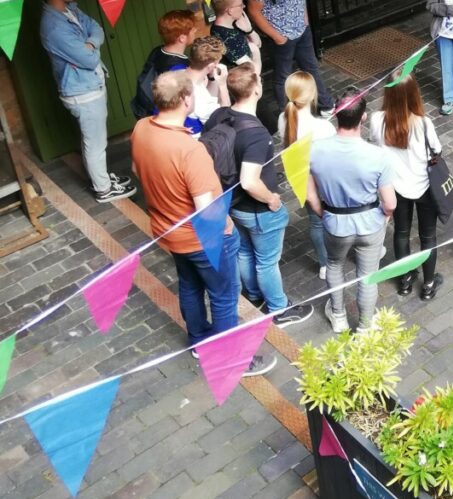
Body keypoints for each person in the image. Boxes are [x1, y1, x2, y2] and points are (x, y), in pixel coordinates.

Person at [131, 71, 275, 376]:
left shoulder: (142, 128)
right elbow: (208, 210)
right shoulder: (189, 150)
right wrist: (228, 229)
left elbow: (135, 167)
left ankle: (198, 340)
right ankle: (229, 357)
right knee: (224, 296)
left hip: (167, 231)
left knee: (190, 285)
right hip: (203, 239)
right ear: (186, 100)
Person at [204, 67, 313, 327]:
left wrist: (221, 86)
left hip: (233, 204)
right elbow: (250, 181)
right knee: (267, 261)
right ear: (256, 89)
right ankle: (278, 309)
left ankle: (252, 294)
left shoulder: (219, 115)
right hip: (258, 210)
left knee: (243, 252)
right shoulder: (256, 134)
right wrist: (271, 200)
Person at [33, 0, 135, 203]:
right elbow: (89, 60)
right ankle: (103, 188)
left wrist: (90, 43)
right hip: (82, 92)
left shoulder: (69, 10)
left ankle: (102, 178)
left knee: (95, 138)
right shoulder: (54, 27)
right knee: (95, 141)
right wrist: (90, 48)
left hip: (91, 86)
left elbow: (96, 29)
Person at [308, 94, 397, 332]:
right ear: (364, 117)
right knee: (368, 275)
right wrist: (384, 217)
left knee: (335, 266)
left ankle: (338, 316)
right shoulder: (378, 156)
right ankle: (365, 326)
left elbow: (310, 196)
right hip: (370, 224)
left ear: (336, 114)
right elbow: (390, 203)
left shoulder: (314, 150)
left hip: (335, 224)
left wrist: (323, 215)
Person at [368, 75, 444, 301]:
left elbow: (375, 145)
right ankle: (429, 284)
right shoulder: (423, 123)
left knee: (401, 233)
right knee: (428, 236)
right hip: (424, 187)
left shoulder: (376, 119)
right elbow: (437, 150)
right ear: (413, 94)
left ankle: (405, 280)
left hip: (395, 187)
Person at [244, 0, 333, 113]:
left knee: (311, 67)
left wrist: (306, 20)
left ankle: (325, 104)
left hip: (302, 29)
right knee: (283, 76)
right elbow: (254, 11)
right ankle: (287, 115)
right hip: (281, 34)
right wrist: (277, 36)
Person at [277, 71, 336, 281]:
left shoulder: (283, 119)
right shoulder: (324, 128)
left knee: (315, 223)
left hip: (301, 179)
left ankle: (324, 263)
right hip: (324, 182)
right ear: (312, 96)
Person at [210, 0, 262, 74]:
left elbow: (258, 43)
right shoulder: (225, 37)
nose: (244, 6)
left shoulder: (235, 23)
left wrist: (249, 30)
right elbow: (253, 72)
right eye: (240, 5)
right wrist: (255, 50)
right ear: (230, 11)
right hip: (243, 84)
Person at [184, 36, 229, 135]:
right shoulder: (199, 96)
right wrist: (222, 85)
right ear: (211, 66)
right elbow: (224, 120)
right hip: (198, 143)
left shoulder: (179, 72)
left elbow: (209, 97)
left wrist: (212, 79)